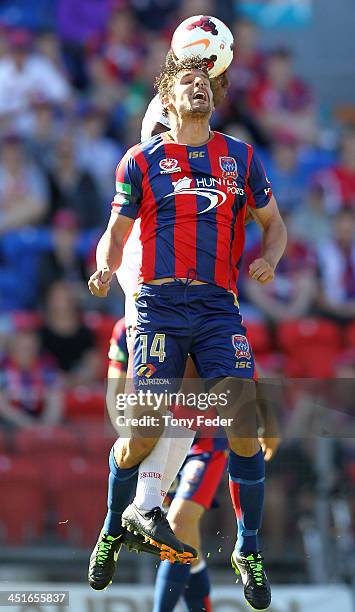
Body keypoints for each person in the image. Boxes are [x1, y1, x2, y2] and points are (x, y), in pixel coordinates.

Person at [88, 55, 286, 610]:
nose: (199, 87)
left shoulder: (241, 157)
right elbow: (115, 231)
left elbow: (274, 224)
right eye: (186, 82)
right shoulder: (140, 160)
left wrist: (270, 258)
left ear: (214, 96)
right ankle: (111, 527)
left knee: (243, 421)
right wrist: (106, 265)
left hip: (218, 304)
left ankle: (248, 547)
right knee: (142, 434)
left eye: (206, 82)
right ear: (166, 102)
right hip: (156, 304)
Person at [106, 317, 280, 612]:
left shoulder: (203, 309)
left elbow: (249, 372)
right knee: (187, 544)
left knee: (179, 522)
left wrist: (268, 421)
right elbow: (116, 390)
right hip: (162, 440)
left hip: (206, 440)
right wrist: (129, 433)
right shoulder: (128, 326)